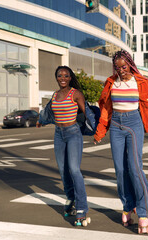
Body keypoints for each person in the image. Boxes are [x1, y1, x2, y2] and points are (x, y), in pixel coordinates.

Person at [93, 50, 148, 234]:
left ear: (130, 64)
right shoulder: (111, 83)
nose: (121, 71)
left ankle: (143, 213)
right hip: (116, 125)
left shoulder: (141, 82)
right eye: (117, 67)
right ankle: (127, 206)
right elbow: (105, 110)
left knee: (135, 168)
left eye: (124, 67)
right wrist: (100, 132)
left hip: (134, 124)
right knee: (120, 169)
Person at [36, 66, 90, 226]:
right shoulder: (55, 95)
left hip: (73, 133)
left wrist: (98, 129)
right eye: (60, 75)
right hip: (58, 134)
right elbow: (49, 112)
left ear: (70, 77)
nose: (63, 78)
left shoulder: (76, 94)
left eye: (66, 75)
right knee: (62, 170)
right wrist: (41, 120)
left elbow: (87, 114)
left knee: (74, 169)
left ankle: (82, 208)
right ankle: (70, 197)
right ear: (56, 77)